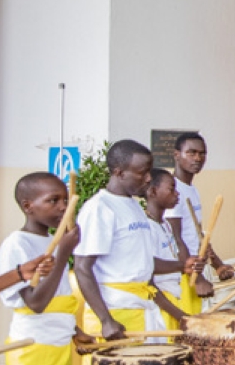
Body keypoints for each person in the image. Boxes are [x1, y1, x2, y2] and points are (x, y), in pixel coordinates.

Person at [75, 140, 191, 347]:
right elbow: (83, 267)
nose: (148, 178)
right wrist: (106, 320)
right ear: (119, 173)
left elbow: (143, 262)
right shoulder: (99, 208)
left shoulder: (134, 206)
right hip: (116, 311)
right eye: (142, 172)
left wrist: (182, 266)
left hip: (142, 307)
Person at [0, 172, 82, 365]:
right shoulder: (17, 243)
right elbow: (36, 303)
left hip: (60, 343)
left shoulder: (52, 242)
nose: (63, 207)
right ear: (28, 206)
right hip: (34, 346)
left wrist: (76, 331)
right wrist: (63, 254)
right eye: (53, 200)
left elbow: (60, 296)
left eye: (65, 200)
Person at [164, 133, 234, 308]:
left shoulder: (191, 190)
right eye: (191, 153)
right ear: (176, 155)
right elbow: (175, 238)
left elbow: (198, 236)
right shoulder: (173, 191)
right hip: (185, 274)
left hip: (196, 269)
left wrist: (217, 264)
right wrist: (198, 279)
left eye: (202, 153)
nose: (198, 158)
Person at [146, 169, 202, 325]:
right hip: (161, 306)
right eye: (171, 189)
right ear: (153, 191)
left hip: (173, 297)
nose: (177, 194)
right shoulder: (148, 228)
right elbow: (149, 280)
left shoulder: (165, 225)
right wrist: (179, 315)